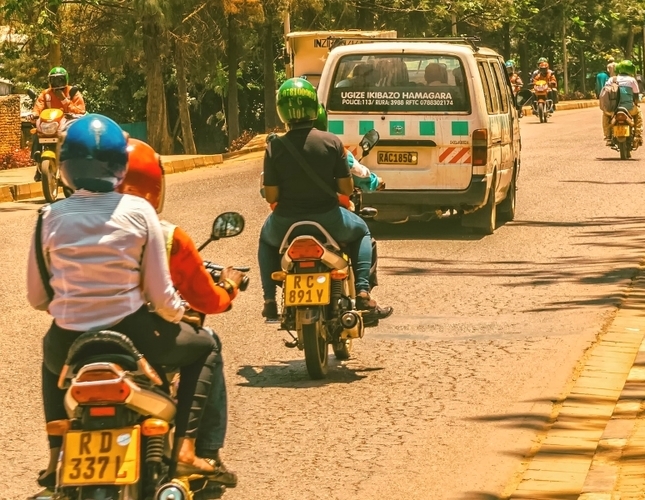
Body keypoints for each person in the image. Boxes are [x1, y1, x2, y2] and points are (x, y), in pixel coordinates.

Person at [27, 115, 224, 497]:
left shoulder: (47, 217)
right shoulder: (139, 212)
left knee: (50, 355)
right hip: (137, 335)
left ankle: (56, 457)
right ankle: (185, 448)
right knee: (207, 346)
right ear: (121, 165)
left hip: (68, 342)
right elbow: (162, 297)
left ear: (64, 166)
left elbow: (38, 298)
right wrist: (180, 316)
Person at [116, 138, 241, 489]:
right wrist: (229, 286)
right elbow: (203, 301)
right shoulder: (165, 235)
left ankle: (56, 456)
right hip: (146, 335)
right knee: (208, 343)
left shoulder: (67, 222)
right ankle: (200, 450)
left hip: (80, 337)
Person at [258, 78, 393, 324]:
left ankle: (269, 301)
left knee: (265, 239)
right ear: (314, 107)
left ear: (281, 110)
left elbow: (272, 196)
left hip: (285, 222)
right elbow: (346, 187)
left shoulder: (273, 147)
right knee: (363, 231)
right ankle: (362, 292)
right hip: (330, 219)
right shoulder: (332, 142)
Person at [31, 66, 87, 181]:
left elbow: (80, 110)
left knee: (74, 136)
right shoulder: (46, 94)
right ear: (49, 81)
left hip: (67, 124)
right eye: (54, 80)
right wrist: (34, 114)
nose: (57, 83)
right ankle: (37, 162)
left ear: (65, 79)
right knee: (36, 132)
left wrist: (64, 100)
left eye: (60, 80)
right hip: (50, 125)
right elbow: (38, 106)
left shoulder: (73, 92)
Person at [600, 60, 644, 147]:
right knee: (638, 114)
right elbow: (636, 96)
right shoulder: (632, 80)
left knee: (605, 115)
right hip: (629, 109)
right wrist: (636, 103)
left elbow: (605, 93)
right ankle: (637, 135)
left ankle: (608, 137)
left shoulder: (611, 79)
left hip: (613, 110)